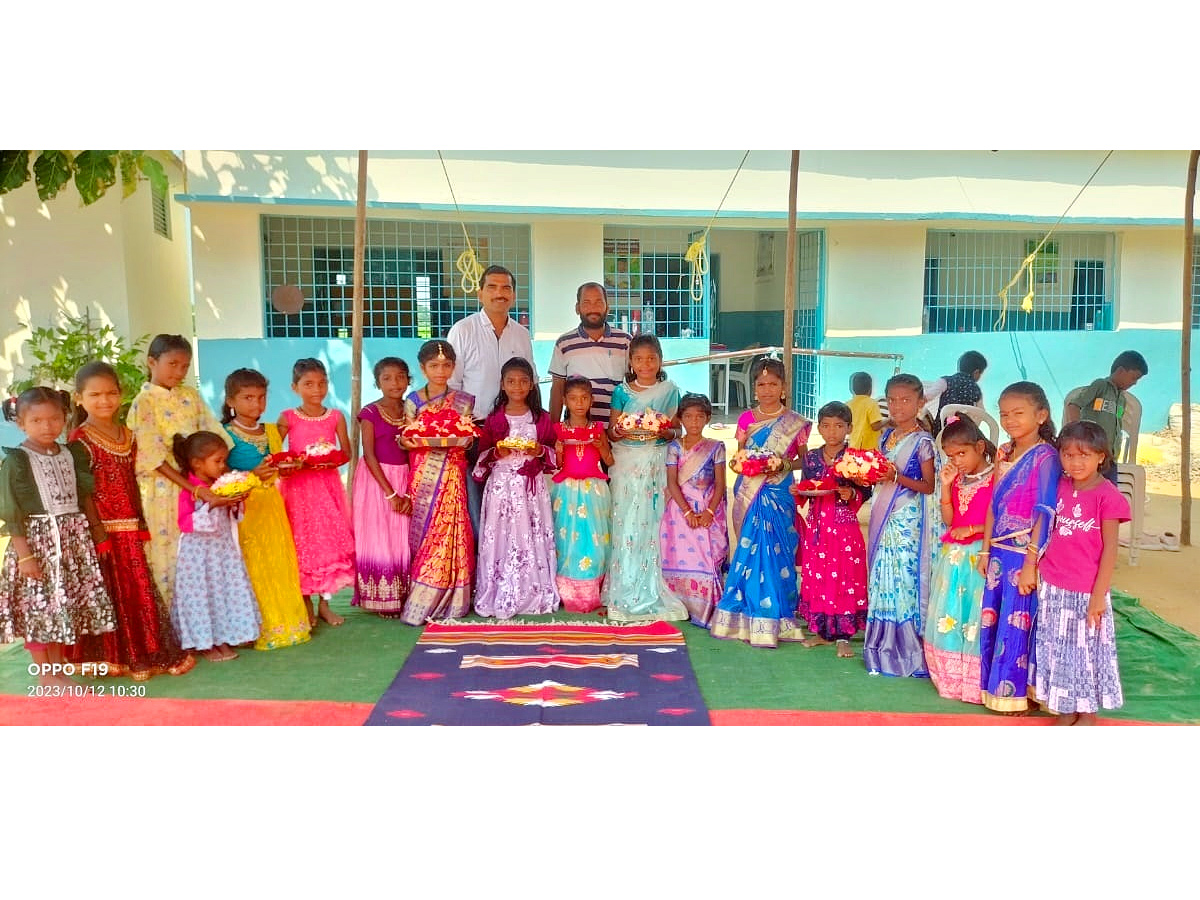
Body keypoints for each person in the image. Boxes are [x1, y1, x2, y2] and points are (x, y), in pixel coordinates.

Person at [67, 362, 194, 679]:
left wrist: (140, 523)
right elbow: (83, 493)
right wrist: (98, 533)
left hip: (130, 526)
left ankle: (147, 650)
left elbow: (130, 481)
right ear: (79, 398)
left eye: (111, 393)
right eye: (95, 395)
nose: (104, 401)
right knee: (111, 594)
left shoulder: (129, 435)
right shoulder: (79, 440)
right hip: (103, 531)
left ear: (121, 396)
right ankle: (118, 656)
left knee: (137, 590)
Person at [0, 388, 116, 687]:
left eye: (54, 419)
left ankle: (58, 667)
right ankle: (45, 674)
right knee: (38, 608)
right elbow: (12, 512)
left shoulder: (70, 454)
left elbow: (84, 496)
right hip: (37, 545)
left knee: (60, 607)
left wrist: (96, 532)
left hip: (71, 542)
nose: (47, 426)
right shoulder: (17, 461)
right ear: (21, 424)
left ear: (65, 419)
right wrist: (24, 555)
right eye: (36, 420)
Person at [710, 358, 812, 648]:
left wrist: (781, 464)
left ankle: (777, 614)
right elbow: (738, 458)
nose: (767, 389)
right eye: (761, 384)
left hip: (779, 492)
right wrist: (744, 466)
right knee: (749, 549)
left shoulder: (796, 422)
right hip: (751, 492)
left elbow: (803, 459)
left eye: (773, 384)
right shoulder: (746, 420)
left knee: (778, 552)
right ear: (754, 388)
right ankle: (744, 613)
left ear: (783, 388)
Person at [1032, 421, 1129, 724]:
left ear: (1101, 456)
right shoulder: (1058, 486)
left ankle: (1087, 711)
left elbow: (1110, 549)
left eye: (1084, 456)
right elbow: (1042, 523)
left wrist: (1098, 596)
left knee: (1086, 653)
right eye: (1068, 456)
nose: (1075, 463)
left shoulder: (1108, 496)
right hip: (1053, 583)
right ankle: (1064, 708)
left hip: (1087, 590)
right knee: (1058, 650)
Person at [127, 334, 232, 609]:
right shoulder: (144, 402)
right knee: (168, 556)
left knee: (198, 557)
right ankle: (172, 633)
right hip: (163, 493)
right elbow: (153, 457)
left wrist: (227, 477)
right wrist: (195, 489)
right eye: (172, 364)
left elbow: (214, 434)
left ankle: (203, 624)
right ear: (152, 362)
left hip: (199, 487)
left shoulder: (190, 396)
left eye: (185, 366)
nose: (179, 372)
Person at [976, 381, 1062, 714]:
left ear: (1041, 415)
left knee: (1020, 624)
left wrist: (1031, 563)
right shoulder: (1004, 453)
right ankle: (998, 689)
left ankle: (1021, 692)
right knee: (996, 622)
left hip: (1024, 555)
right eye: (1004, 414)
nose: (1010, 420)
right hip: (998, 553)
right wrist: (985, 550)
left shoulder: (1046, 457)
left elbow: (1045, 512)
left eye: (1019, 413)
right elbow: (992, 505)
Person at [221, 368, 312, 649]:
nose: (256, 405)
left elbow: (278, 468)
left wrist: (288, 467)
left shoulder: (271, 430)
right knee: (251, 564)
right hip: (243, 509)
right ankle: (254, 626)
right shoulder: (224, 434)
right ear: (230, 401)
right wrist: (251, 475)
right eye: (248, 398)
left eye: (261, 397)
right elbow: (220, 475)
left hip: (272, 504)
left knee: (278, 561)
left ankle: (285, 624)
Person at [602, 333, 689, 623]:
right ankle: (625, 585)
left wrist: (666, 433)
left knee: (652, 523)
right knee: (626, 521)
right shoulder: (622, 392)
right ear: (630, 362)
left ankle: (651, 584)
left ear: (660, 360)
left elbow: (678, 430)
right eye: (639, 358)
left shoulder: (670, 390)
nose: (645, 364)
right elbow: (613, 430)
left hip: (656, 462)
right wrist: (623, 431)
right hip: (627, 463)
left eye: (651, 358)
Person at [445, 265, 536, 535]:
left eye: (506, 288)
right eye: (492, 287)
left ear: (514, 295)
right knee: (476, 499)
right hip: (477, 428)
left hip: (515, 430)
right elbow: (452, 386)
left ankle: (508, 558)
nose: (500, 293)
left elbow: (530, 381)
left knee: (513, 501)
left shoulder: (521, 334)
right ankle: (480, 561)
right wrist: (464, 432)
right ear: (480, 294)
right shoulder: (463, 331)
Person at [472, 356, 560, 619]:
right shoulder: (494, 419)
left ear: (532, 385)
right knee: (500, 536)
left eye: (523, 381)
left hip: (531, 490)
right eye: (511, 382)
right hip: (501, 488)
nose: (517, 387)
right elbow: (481, 456)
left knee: (531, 535)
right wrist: (497, 452)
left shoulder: (541, 419)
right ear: (502, 385)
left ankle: (533, 589)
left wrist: (539, 450)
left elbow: (555, 455)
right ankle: (498, 589)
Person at [863, 374, 937, 677]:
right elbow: (879, 473)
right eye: (892, 400)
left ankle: (906, 649)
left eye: (906, 400)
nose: (898, 406)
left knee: (902, 580)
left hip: (906, 520)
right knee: (883, 577)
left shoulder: (923, 442)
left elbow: (929, 486)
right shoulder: (884, 437)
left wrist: (895, 478)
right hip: (883, 511)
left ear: (920, 403)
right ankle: (880, 646)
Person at [399, 340, 476, 624]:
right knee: (427, 533)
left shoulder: (463, 400)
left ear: (453, 367)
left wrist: (464, 441)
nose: (440, 371)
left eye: (446, 365)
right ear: (422, 368)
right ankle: (421, 600)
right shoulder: (413, 401)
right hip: (423, 475)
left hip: (453, 473)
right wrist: (407, 441)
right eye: (434, 366)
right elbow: (408, 437)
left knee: (453, 530)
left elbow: (466, 437)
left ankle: (454, 600)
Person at [276, 358, 355, 628]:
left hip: (327, 487)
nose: (316, 390)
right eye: (308, 384)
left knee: (326, 545)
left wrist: (329, 459)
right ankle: (305, 605)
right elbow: (276, 453)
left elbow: (346, 452)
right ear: (294, 387)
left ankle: (325, 604)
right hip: (297, 490)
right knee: (302, 545)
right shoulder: (287, 417)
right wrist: (295, 462)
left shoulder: (335, 416)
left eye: (322, 383)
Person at [169, 431, 261, 662]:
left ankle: (222, 638)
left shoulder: (221, 484)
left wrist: (235, 502)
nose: (223, 466)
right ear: (197, 464)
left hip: (222, 552)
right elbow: (186, 523)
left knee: (222, 592)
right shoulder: (191, 489)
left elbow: (234, 517)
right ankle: (204, 643)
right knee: (201, 596)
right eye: (217, 461)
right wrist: (211, 505)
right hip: (197, 556)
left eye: (224, 461)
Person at [924, 414, 995, 702]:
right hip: (954, 557)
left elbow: (999, 520)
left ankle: (975, 680)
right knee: (953, 612)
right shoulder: (957, 479)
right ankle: (951, 679)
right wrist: (945, 486)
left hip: (981, 554)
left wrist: (976, 528)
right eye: (952, 456)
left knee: (975, 615)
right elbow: (949, 519)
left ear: (980, 446)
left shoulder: (996, 477)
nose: (958, 461)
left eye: (962, 453)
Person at [795, 401, 869, 657]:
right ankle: (821, 632)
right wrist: (799, 492)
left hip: (844, 528)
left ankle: (843, 636)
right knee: (818, 576)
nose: (832, 432)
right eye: (826, 426)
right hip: (818, 526)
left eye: (838, 426)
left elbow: (865, 490)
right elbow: (807, 486)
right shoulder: (812, 457)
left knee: (845, 577)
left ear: (848, 428)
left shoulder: (855, 458)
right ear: (819, 427)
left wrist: (851, 493)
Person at [659, 392, 728, 627]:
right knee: (678, 556)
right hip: (680, 511)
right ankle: (678, 605)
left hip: (708, 509)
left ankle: (704, 607)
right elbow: (671, 482)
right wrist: (687, 512)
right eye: (688, 417)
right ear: (680, 419)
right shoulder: (674, 447)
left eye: (699, 417)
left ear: (707, 418)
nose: (694, 422)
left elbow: (720, 483)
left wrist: (709, 512)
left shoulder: (716, 446)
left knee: (707, 558)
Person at [351, 357, 413, 618]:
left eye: (400, 377)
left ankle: (402, 594)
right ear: (377, 383)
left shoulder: (412, 411)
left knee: (402, 538)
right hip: (376, 482)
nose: (394, 383)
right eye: (387, 378)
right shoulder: (370, 413)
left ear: (409, 380)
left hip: (405, 477)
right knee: (379, 538)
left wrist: (408, 492)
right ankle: (379, 598)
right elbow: (370, 454)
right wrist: (390, 492)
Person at [550, 376, 613, 612]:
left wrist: (600, 446)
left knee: (595, 540)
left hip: (594, 492)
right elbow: (555, 465)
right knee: (566, 541)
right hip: (566, 492)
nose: (579, 403)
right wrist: (557, 449)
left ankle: (594, 590)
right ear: (565, 400)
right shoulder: (558, 430)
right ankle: (569, 593)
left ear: (591, 401)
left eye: (584, 398)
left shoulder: (597, 429)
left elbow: (609, 460)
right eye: (574, 398)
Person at [547, 282, 633, 425]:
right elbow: (557, 388)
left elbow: (635, 384)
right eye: (586, 303)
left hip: (616, 432)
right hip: (576, 432)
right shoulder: (564, 343)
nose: (593, 309)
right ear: (577, 308)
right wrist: (553, 429)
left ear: (608, 307)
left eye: (598, 302)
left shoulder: (625, 341)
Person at [1064, 350, 1148, 485]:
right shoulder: (1100, 386)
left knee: (1110, 492)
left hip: (1110, 459)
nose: (1135, 383)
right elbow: (1073, 405)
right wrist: (1079, 435)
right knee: (1089, 491)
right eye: (1134, 378)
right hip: (1092, 454)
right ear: (1120, 371)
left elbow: (1117, 426)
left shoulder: (1122, 400)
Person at [922, 350, 988, 431]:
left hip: (943, 431)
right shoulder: (976, 389)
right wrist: (974, 428)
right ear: (976, 372)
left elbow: (928, 395)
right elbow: (981, 412)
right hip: (965, 433)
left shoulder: (946, 380)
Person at [846, 371, 884, 451]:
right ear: (870, 389)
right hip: (869, 449)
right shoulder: (871, 403)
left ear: (852, 389)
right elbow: (875, 426)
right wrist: (888, 421)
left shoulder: (848, 404)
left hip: (853, 446)